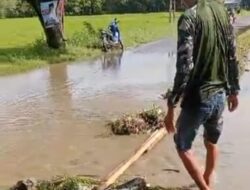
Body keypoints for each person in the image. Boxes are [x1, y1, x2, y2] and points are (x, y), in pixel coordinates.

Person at [164, 0, 240, 189]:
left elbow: (184, 67)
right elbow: (232, 54)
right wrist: (234, 90)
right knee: (211, 141)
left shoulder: (189, 18)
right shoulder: (223, 12)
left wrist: (171, 105)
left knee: (182, 145)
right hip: (221, 94)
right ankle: (207, 180)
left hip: (199, 97)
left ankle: (204, 188)